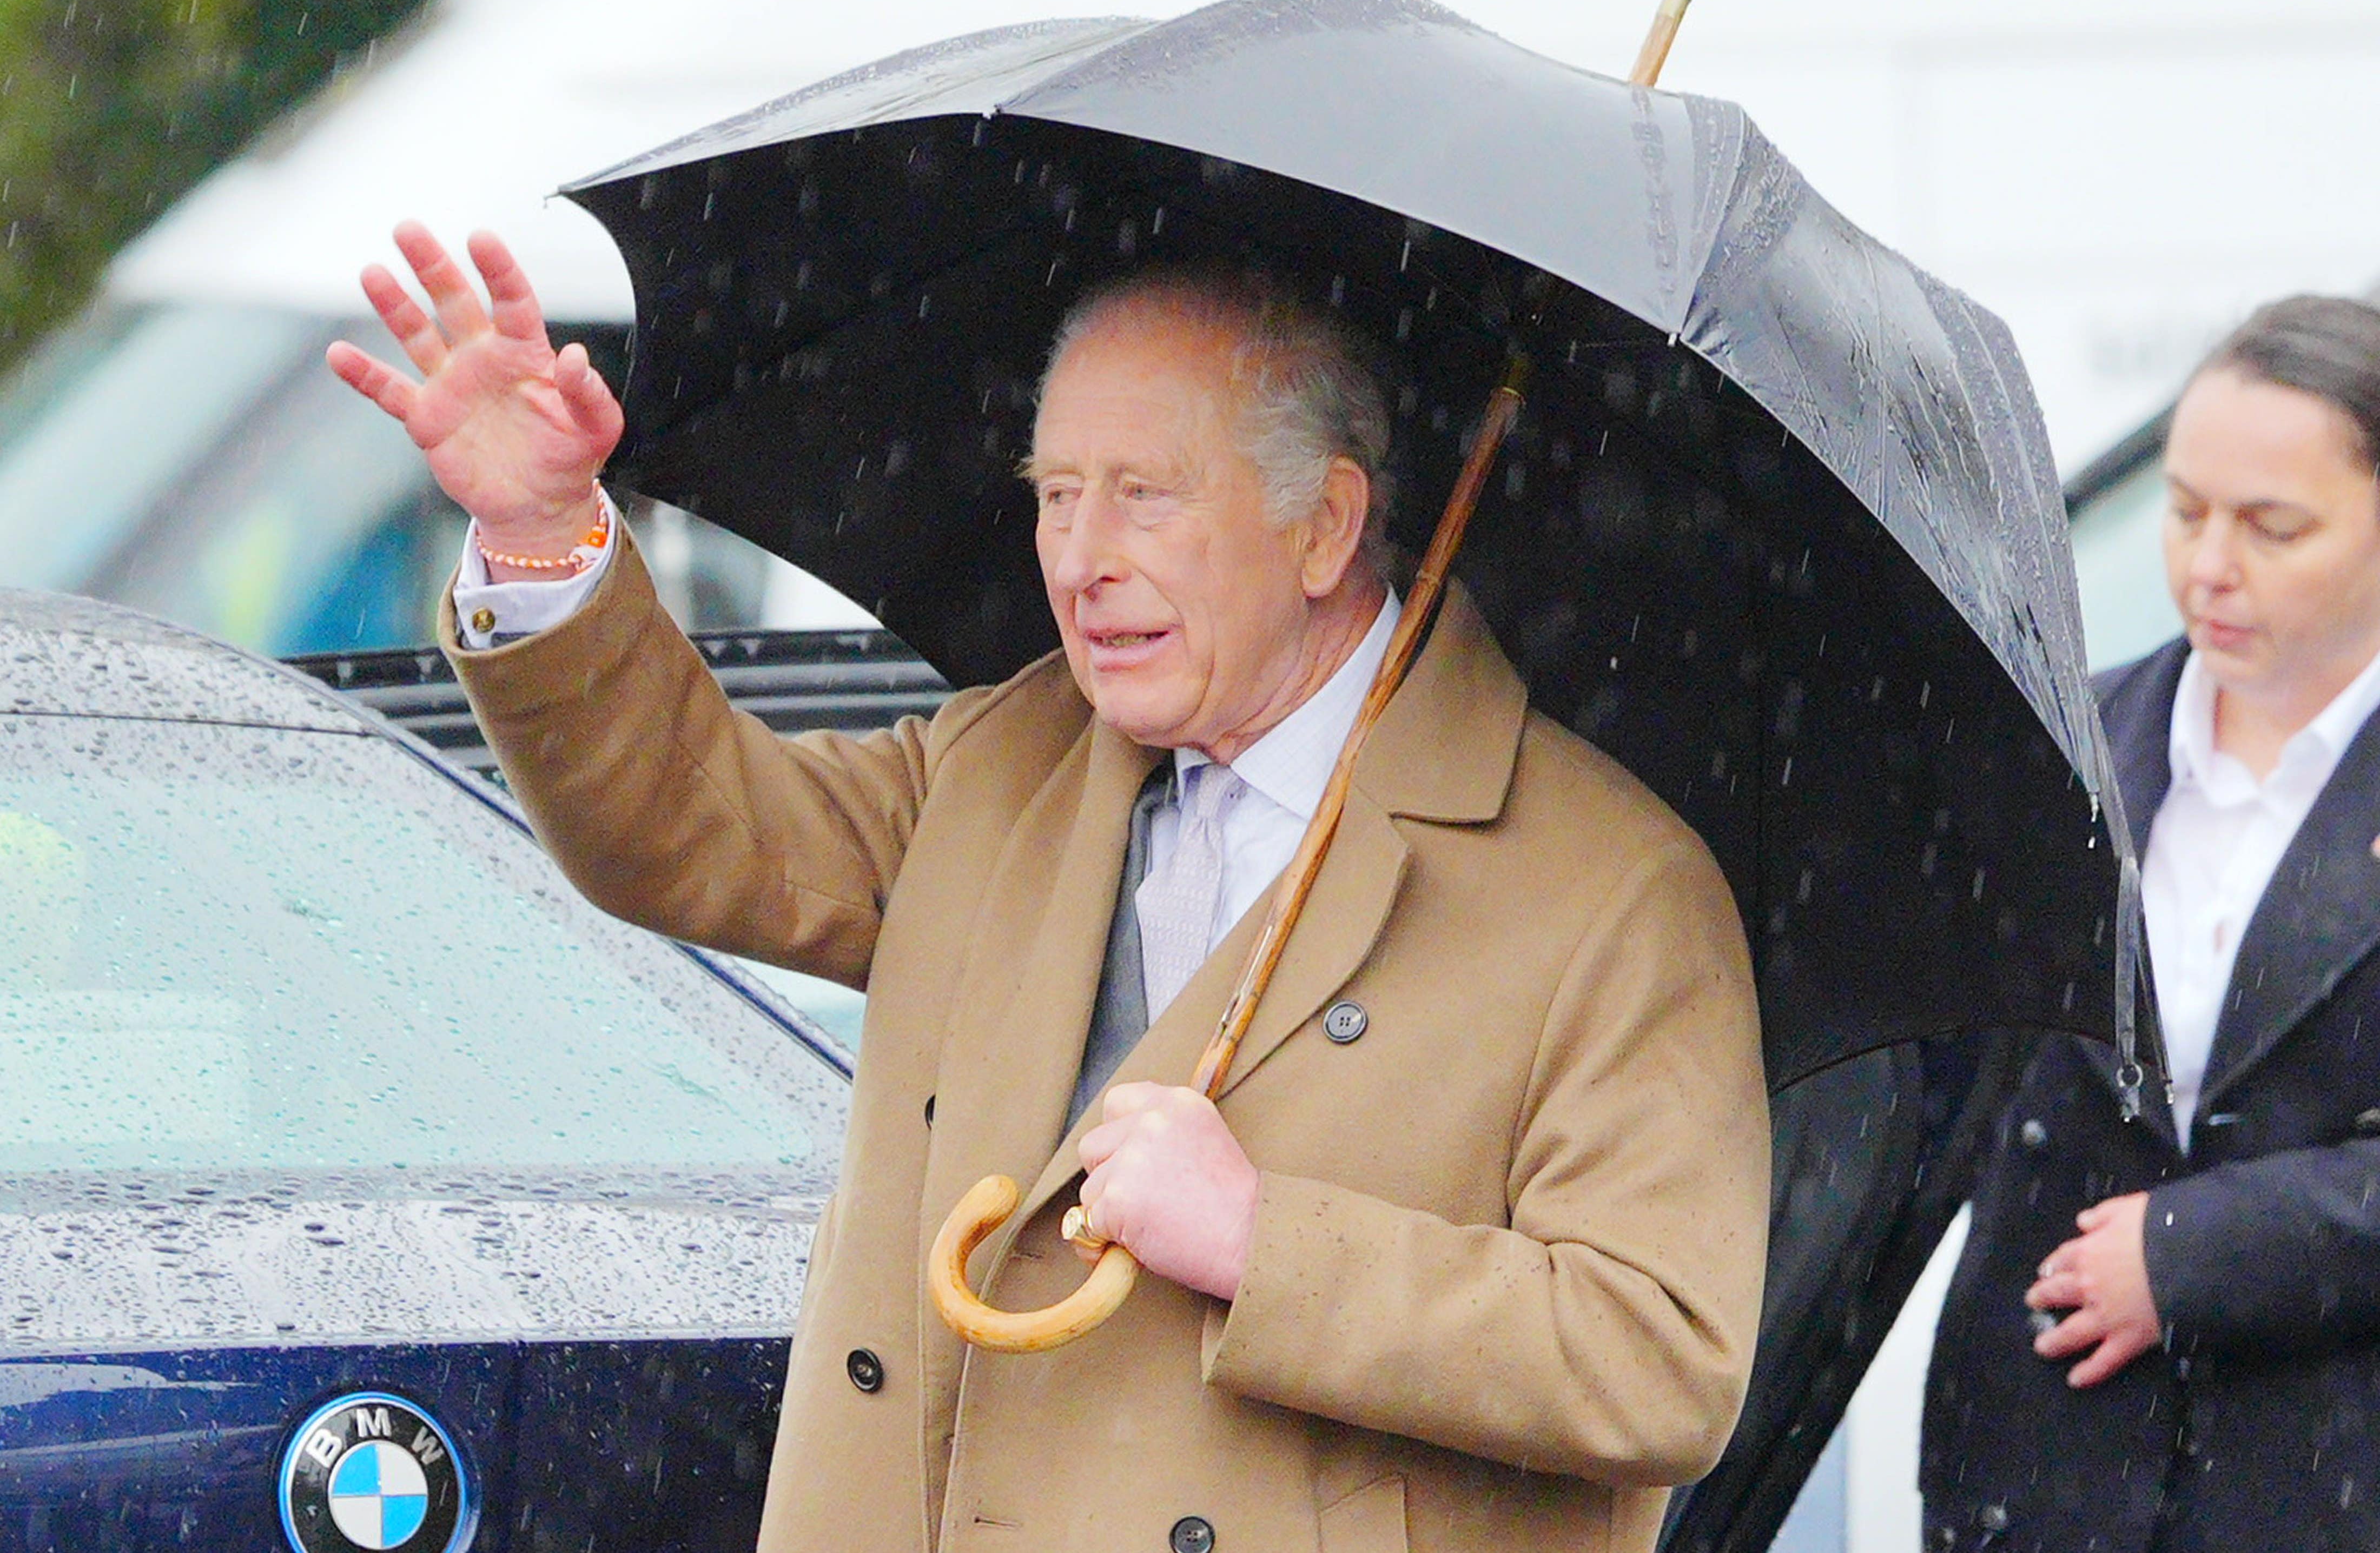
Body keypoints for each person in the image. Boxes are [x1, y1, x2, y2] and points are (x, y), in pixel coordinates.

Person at [329, 222, 1770, 1553]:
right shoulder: (1006, 760)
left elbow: (1658, 1356)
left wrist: (1271, 1244)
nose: (1081, 561)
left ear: (1328, 527)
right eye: (1058, 496)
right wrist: (541, 531)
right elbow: (690, 830)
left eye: (1144, 497)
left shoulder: (1609, 888)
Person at [1922, 294, 2380, 1553]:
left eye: (2271, 527)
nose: (2207, 566)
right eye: (2182, 512)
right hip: (2033, 1482)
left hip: (2324, 1478)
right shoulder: (2058, 747)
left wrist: (2190, 1254)